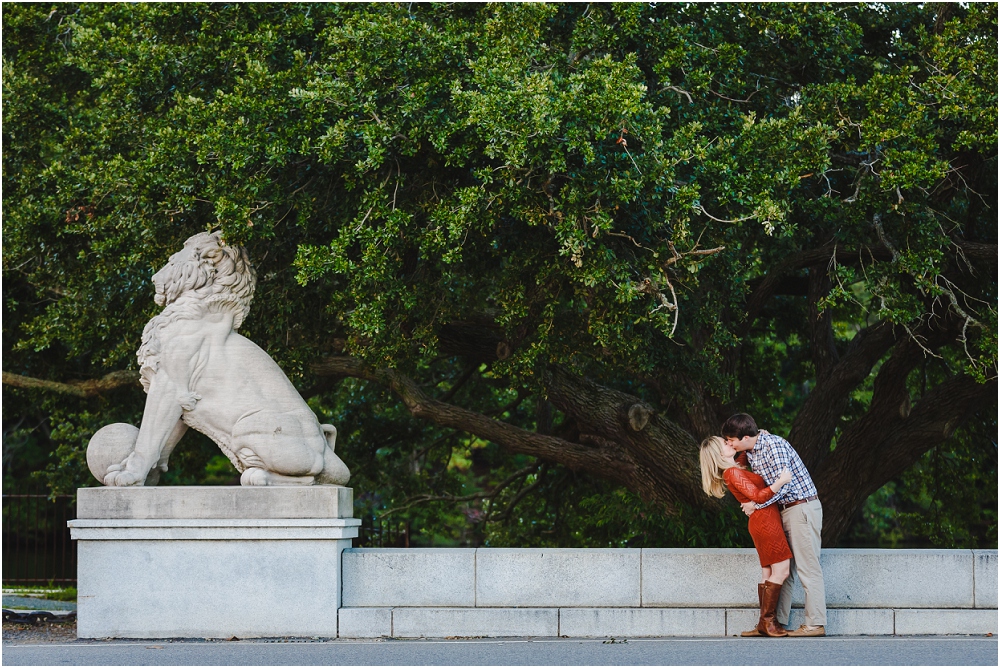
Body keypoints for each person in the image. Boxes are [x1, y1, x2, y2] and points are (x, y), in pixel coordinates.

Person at [722, 413, 827, 638]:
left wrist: (756, 505)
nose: (729, 443)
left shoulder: (774, 446)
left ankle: (815, 623)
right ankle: (772, 623)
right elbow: (732, 465)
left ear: (746, 436)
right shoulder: (750, 451)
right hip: (783, 510)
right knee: (784, 571)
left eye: (731, 439)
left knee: (808, 568)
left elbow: (785, 486)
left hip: (800, 507)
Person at [699, 435, 793, 638]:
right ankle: (768, 622)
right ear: (718, 453)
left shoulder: (735, 467)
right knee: (782, 570)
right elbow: (758, 496)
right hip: (765, 522)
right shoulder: (732, 473)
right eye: (725, 443)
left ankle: (764, 623)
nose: (729, 442)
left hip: (763, 520)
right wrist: (781, 481)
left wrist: (761, 435)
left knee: (768, 572)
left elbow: (744, 451)